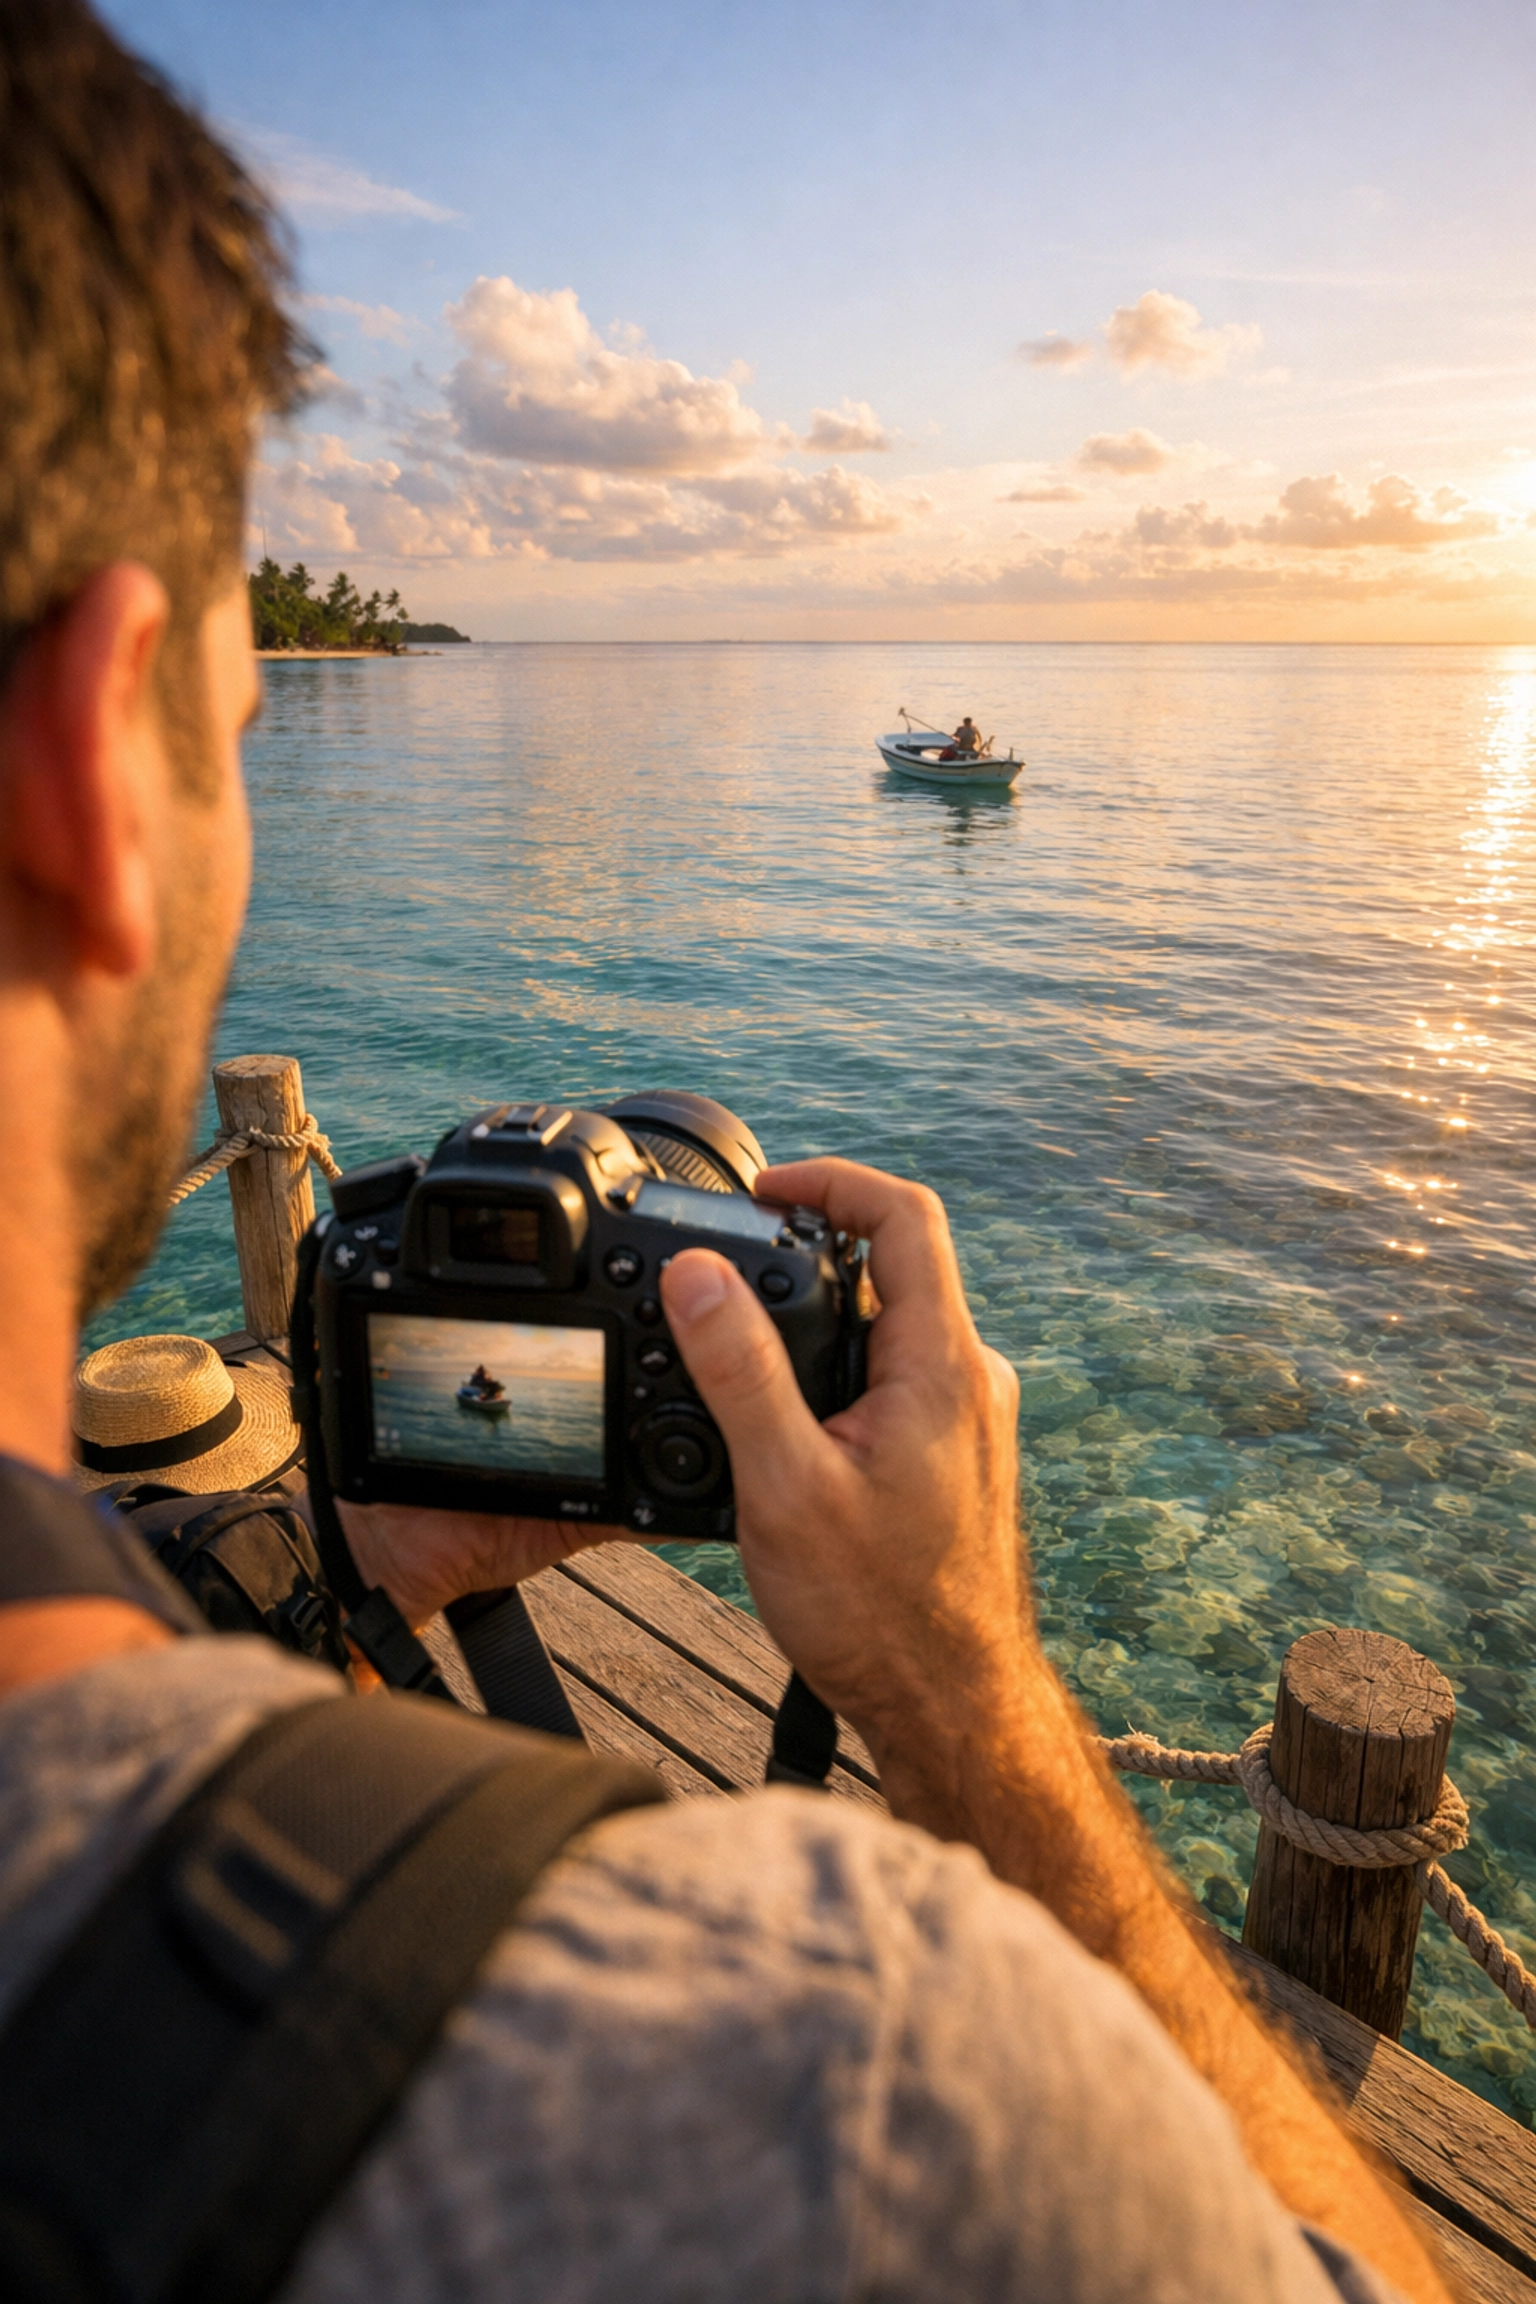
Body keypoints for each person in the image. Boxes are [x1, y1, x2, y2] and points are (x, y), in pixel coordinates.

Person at [0, 7, 1451, 2300]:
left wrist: (306, 1581)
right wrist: (969, 1695)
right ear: (97, 758)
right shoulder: (853, 2100)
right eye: (243, 729)